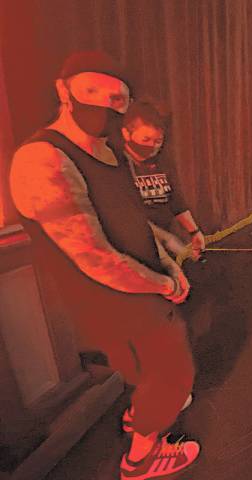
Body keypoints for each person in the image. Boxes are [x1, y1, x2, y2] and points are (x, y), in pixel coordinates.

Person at [9, 52, 199, 479]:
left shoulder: (109, 152)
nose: (106, 104)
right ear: (64, 90)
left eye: (117, 99)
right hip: (114, 298)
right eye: (92, 91)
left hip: (139, 289)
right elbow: (92, 256)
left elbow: (133, 223)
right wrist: (162, 285)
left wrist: (170, 266)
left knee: (144, 372)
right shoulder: (44, 158)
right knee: (175, 375)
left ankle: (141, 417)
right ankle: (142, 459)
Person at [119, 100, 205, 260]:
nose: (152, 146)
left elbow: (176, 201)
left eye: (158, 141)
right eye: (146, 140)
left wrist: (194, 232)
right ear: (126, 134)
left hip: (167, 242)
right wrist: (170, 242)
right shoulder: (116, 165)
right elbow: (129, 218)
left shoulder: (163, 162)